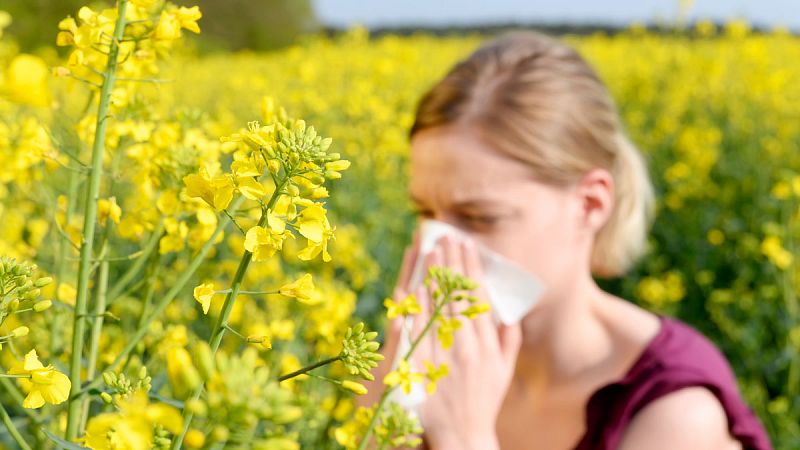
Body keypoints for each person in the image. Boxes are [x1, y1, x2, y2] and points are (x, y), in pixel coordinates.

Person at [358, 30, 772, 450]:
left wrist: (463, 439)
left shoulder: (674, 413)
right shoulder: (439, 366)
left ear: (590, 205)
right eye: (425, 213)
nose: (438, 247)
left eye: (481, 217)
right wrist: (383, 418)